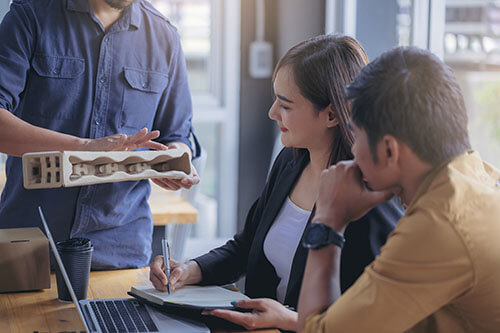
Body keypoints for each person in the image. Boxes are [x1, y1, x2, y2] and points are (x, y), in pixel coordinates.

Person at [150, 34, 404, 331]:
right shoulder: (290, 161)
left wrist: (294, 321)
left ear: (332, 114)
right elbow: (246, 246)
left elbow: (379, 319)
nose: (272, 113)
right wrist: (189, 269)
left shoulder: (371, 200)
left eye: (285, 105)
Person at [298, 47, 500, 332]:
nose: (352, 150)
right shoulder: (481, 178)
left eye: (356, 135)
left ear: (390, 150)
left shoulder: (439, 223)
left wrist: (328, 221)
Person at [0, 0, 199, 269]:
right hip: (29, 246)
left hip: (121, 251)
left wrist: (175, 163)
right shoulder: (30, 16)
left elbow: (177, 135)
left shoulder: (165, 37)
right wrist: (83, 148)